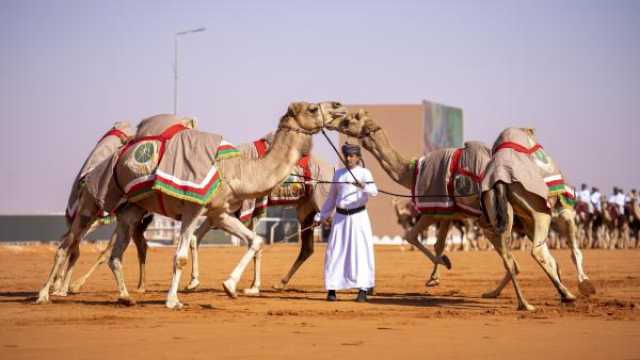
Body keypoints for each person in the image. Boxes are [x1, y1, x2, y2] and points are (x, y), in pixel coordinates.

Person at [313, 143, 378, 302]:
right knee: (335, 252)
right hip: (340, 219)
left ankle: (363, 289)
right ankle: (332, 289)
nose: (348, 158)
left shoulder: (364, 173)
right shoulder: (338, 174)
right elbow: (331, 199)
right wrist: (320, 217)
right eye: (346, 156)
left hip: (359, 219)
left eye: (351, 156)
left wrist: (363, 186)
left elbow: (374, 191)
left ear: (358, 157)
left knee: (360, 253)